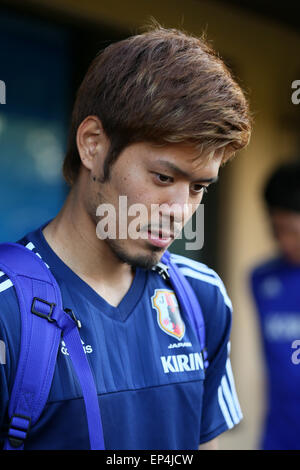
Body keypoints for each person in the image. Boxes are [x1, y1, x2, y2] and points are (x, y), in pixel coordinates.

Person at [0, 24, 251, 450]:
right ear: (93, 145)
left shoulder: (202, 298)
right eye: (163, 176)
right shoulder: (8, 311)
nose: (179, 211)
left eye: (198, 187)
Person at [250, 161, 300, 450]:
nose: (284, 241)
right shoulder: (261, 279)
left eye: (292, 230)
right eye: (276, 230)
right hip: (278, 435)